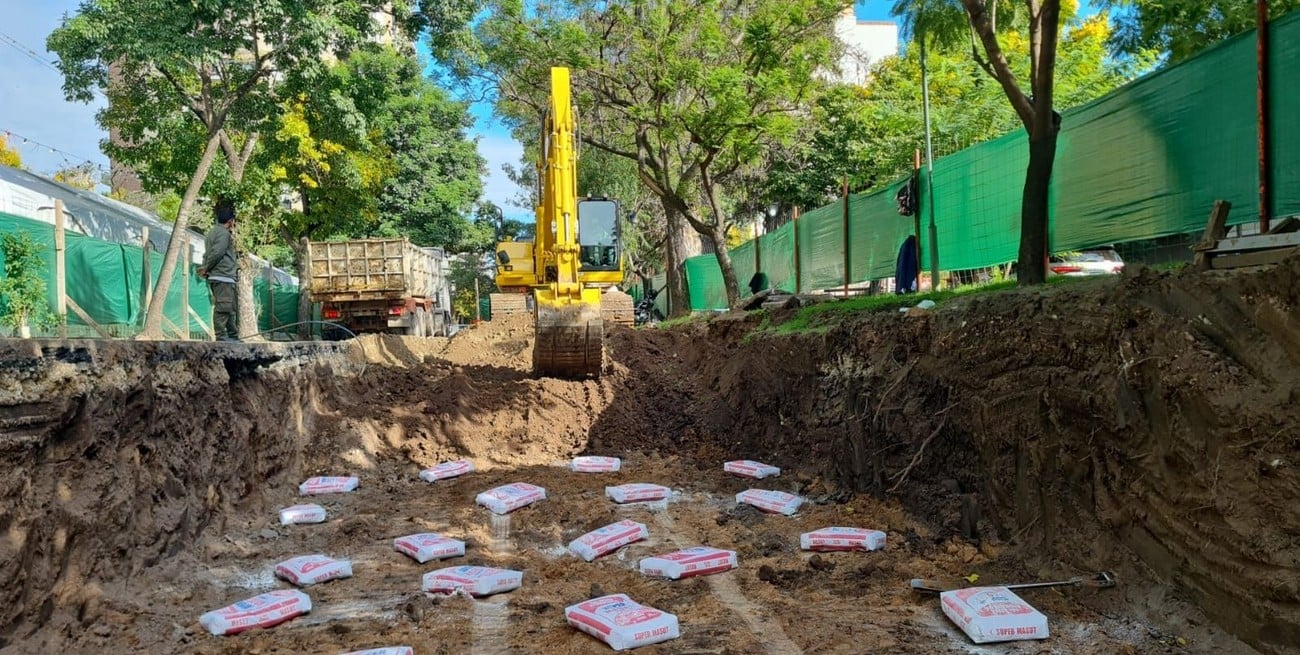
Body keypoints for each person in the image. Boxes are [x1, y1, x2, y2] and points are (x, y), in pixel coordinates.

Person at [199, 199, 239, 341]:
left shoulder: (212, 232)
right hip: (223, 275)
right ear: (230, 221)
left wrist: (206, 267)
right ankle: (221, 336)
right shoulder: (224, 234)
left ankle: (233, 336)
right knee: (223, 307)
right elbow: (217, 252)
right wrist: (207, 268)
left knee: (230, 308)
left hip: (221, 276)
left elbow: (208, 253)